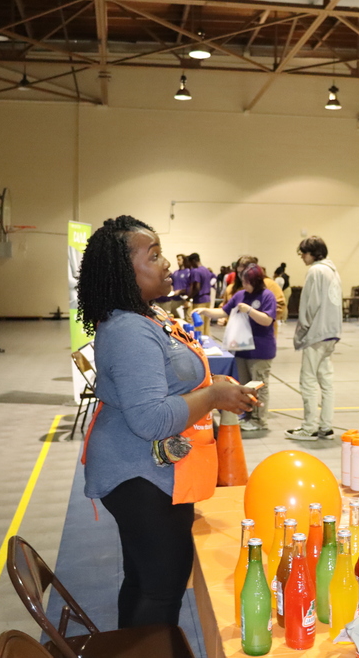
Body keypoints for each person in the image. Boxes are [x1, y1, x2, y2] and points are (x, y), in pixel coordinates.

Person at [76, 216, 257, 628]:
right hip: (138, 475)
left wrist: (213, 384)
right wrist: (211, 397)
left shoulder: (149, 315)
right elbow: (151, 418)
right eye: (154, 256)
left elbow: (169, 383)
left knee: (145, 580)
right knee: (162, 586)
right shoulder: (127, 330)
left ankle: (133, 647)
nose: (166, 264)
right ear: (125, 271)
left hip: (152, 470)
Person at [194, 264, 276, 432]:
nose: (244, 285)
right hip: (241, 349)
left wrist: (250, 310)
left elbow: (267, 320)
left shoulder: (267, 296)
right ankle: (246, 416)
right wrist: (205, 311)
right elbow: (223, 311)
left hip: (260, 350)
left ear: (256, 281)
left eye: (247, 282)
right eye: (243, 282)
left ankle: (260, 420)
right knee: (245, 385)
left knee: (259, 385)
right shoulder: (240, 295)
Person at [285, 236, 343, 441]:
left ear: (314, 252)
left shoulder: (316, 271)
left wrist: (301, 333)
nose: (301, 256)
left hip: (317, 334)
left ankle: (309, 427)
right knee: (326, 381)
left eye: (304, 252)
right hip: (331, 333)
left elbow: (309, 306)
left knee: (308, 381)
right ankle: (325, 426)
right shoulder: (332, 271)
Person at [187, 253, 215, 335]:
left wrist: (189, 297)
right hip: (207, 299)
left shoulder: (196, 271)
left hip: (199, 300)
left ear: (194, 261)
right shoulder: (206, 270)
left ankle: (199, 342)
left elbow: (197, 287)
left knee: (198, 324)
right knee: (206, 324)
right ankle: (207, 341)